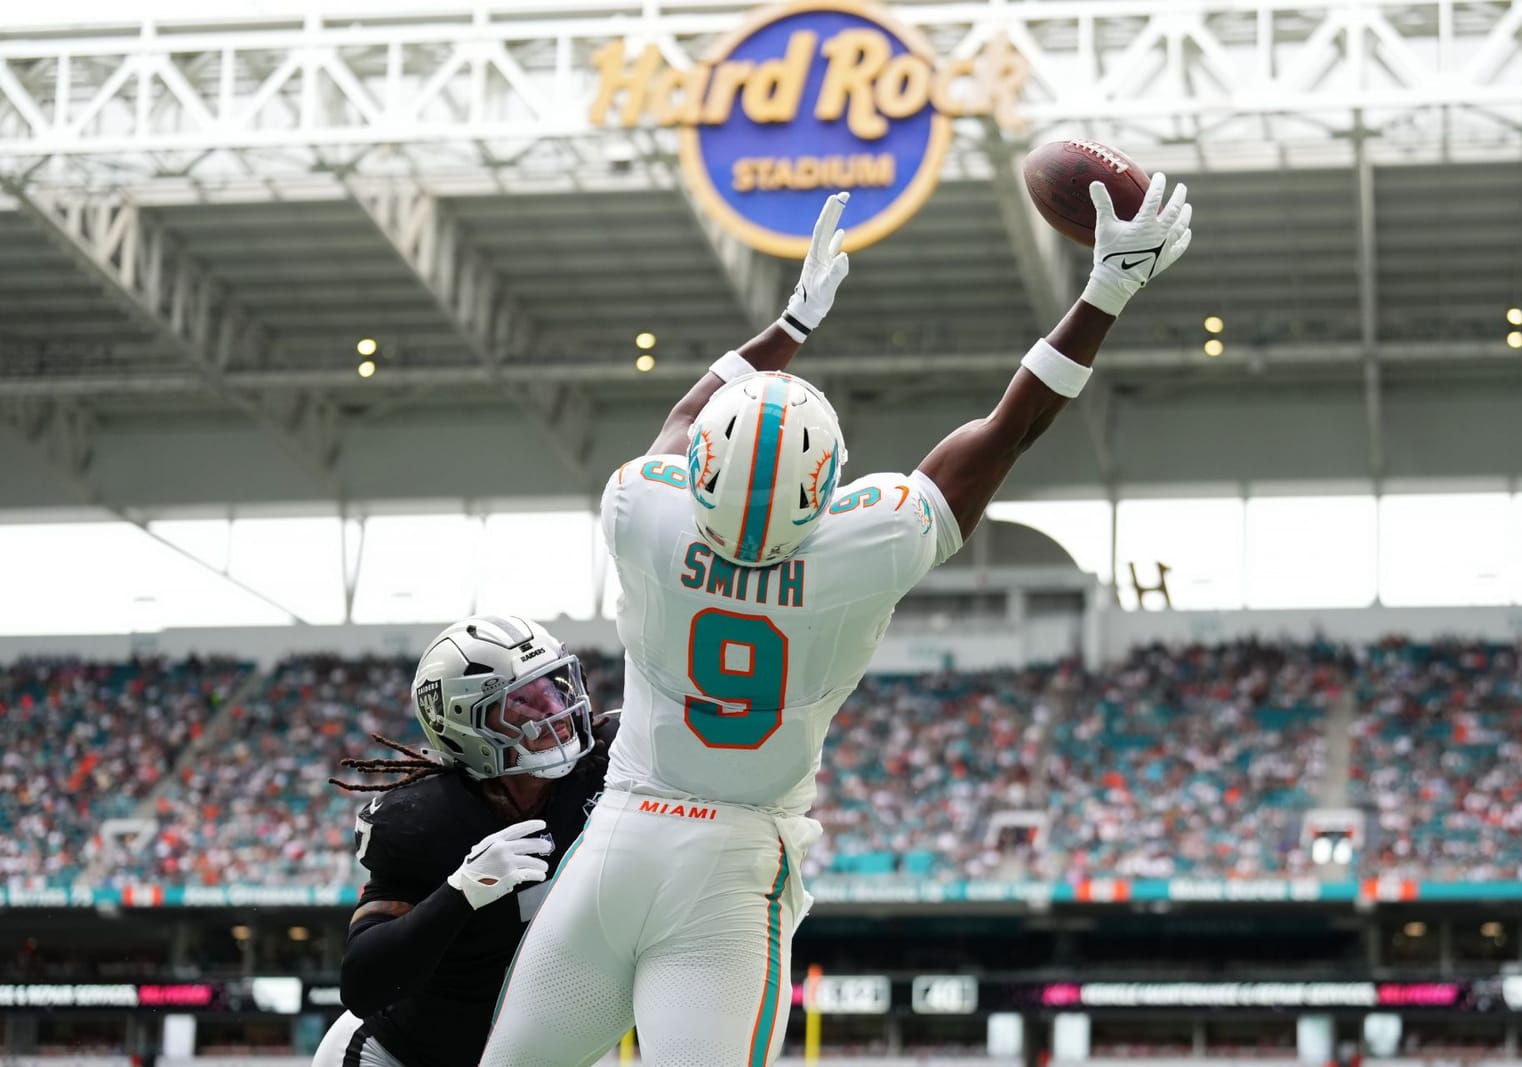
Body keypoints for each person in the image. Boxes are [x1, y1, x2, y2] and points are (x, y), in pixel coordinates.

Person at [481, 176, 1193, 1067]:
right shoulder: (866, 541)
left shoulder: (641, 511)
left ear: (701, 468)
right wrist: (1106, 292)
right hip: (735, 862)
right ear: (829, 487)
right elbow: (1011, 427)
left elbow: (683, 417)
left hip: (619, 836)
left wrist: (789, 327)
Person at [311, 615, 613, 1067]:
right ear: (465, 726)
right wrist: (461, 892)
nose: (553, 711)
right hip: (398, 1056)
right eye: (522, 703)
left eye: (555, 687)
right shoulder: (429, 822)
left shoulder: (610, 762)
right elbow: (362, 985)